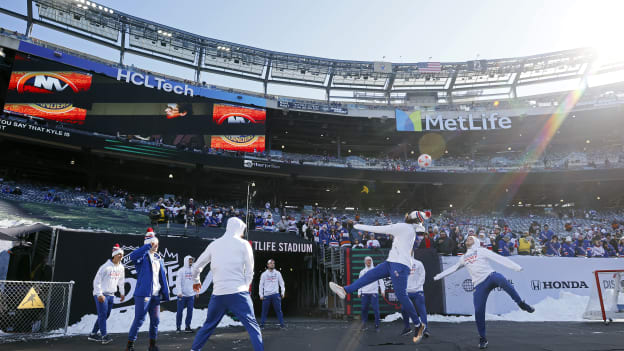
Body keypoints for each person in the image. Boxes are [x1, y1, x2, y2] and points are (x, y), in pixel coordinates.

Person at [329, 210, 432, 344]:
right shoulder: (411, 228)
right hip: (391, 262)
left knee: (401, 296)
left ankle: (418, 325)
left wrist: (358, 226)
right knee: (370, 275)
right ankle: (345, 290)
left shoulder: (404, 227)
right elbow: (420, 227)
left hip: (400, 265)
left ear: (410, 217)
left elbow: (379, 229)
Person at [434, 236, 534, 349]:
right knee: (478, 311)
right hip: (479, 285)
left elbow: (498, 258)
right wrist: (439, 276)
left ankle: (520, 303)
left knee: (501, 279)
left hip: (490, 276)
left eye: (471, 239)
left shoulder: (481, 250)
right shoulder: (463, 258)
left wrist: (515, 267)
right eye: (467, 239)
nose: (468, 240)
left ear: (476, 241)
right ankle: (483, 338)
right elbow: (453, 268)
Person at [190, 217, 263, 351]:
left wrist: (196, 281)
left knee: (208, 327)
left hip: (218, 295)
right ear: (239, 228)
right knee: (253, 327)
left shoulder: (214, 244)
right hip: (239, 294)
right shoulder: (244, 244)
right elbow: (250, 272)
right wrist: (245, 288)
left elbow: (196, 267)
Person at [126, 228, 170, 351]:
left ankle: (152, 345)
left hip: (156, 295)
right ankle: (130, 346)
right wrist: (147, 246)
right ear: (148, 243)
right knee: (139, 320)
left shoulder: (158, 258)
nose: (156, 246)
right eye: (153, 243)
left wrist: (165, 292)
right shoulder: (142, 256)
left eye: (157, 244)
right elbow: (132, 256)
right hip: (143, 294)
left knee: (155, 321)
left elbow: (162, 277)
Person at [88, 244, 126, 344]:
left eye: (122, 255)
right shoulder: (105, 267)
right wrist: (99, 294)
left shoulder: (121, 267)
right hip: (101, 294)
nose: (121, 256)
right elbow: (96, 281)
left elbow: (121, 281)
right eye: (119, 254)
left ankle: (93, 334)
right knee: (103, 315)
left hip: (111, 295)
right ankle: (104, 336)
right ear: (114, 255)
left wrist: (122, 293)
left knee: (105, 315)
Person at [400, 257, 429, 338]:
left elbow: (422, 276)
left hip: (418, 291)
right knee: (403, 309)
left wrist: (417, 287)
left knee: (421, 310)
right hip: (407, 292)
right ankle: (407, 328)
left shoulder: (419, 263)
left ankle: (424, 329)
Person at [357, 256, 385, 331]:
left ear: (371, 261)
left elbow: (381, 281)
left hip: (373, 293)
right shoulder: (362, 272)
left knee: (376, 310)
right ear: (365, 262)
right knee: (364, 309)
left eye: (369, 261)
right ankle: (363, 325)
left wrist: (383, 291)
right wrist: (359, 292)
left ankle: (377, 325)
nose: (368, 262)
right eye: (367, 261)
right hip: (365, 293)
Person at [259, 259, 286, 329]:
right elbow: (261, 285)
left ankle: (282, 324)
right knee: (264, 311)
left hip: (275, 294)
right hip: (266, 295)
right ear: (267, 265)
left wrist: (283, 292)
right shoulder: (264, 274)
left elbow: (282, 283)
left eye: (273, 263)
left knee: (278, 310)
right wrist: (261, 295)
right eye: (270, 263)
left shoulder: (278, 273)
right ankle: (262, 324)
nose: (272, 264)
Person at [175, 256, 196, 333]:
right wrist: (179, 292)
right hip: (182, 295)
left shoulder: (194, 270)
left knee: (190, 311)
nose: (191, 261)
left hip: (191, 295)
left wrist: (196, 291)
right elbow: (178, 282)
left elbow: (196, 281)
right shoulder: (181, 270)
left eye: (191, 260)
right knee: (180, 311)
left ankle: (187, 326)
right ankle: (178, 327)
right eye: (189, 260)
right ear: (186, 261)